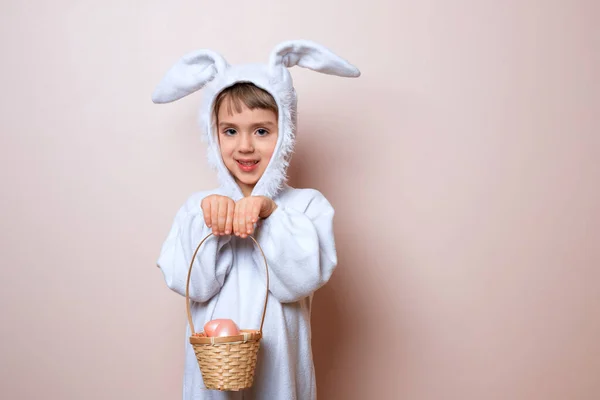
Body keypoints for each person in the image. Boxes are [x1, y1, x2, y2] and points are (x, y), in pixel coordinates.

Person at [152, 40, 360, 399]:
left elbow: (298, 282)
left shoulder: (306, 207)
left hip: (279, 383)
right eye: (230, 130)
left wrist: (270, 214)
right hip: (213, 382)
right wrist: (209, 225)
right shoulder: (198, 208)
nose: (245, 146)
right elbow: (194, 287)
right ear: (213, 134)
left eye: (261, 131)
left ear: (286, 134)